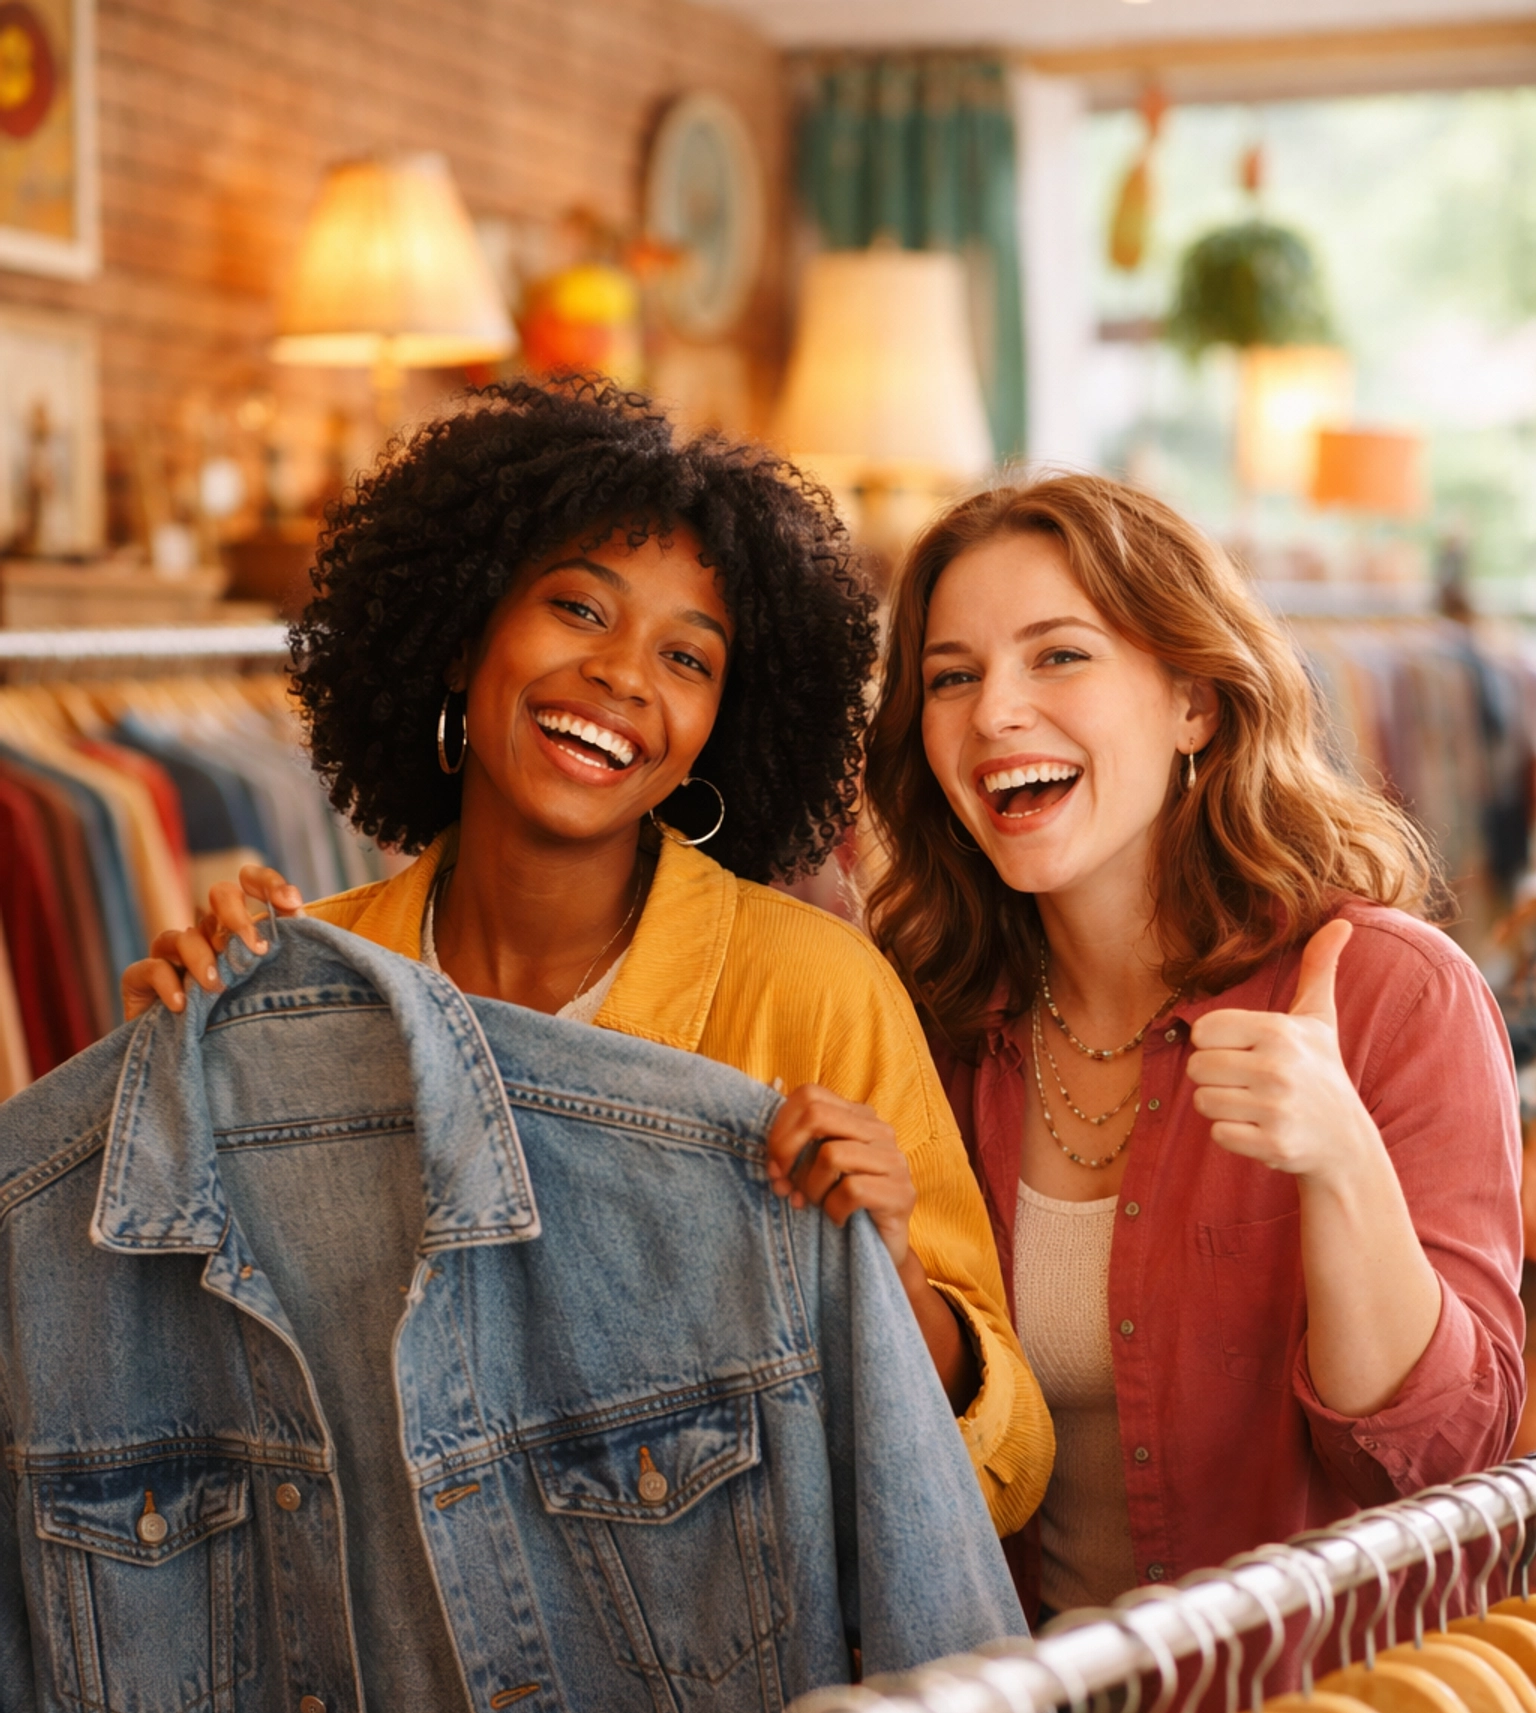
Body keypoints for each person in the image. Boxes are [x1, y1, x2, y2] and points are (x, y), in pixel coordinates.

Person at [122, 379, 1054, 1536]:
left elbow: (1006, 1474)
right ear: (462, 637)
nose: (623, 675)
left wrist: (895, 1276)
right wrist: (168, 1059)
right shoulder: (306, 978)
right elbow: (175, 1395)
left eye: (689, 659)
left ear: (724, 723)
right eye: (577, 608)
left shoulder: (811, 988)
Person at [863, 472, 1523, 1619]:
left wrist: (1340, 1160)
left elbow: (1448, 1473)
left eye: (1059, 655)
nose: (995, 713)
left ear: (1195, 706)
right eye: (952, 677)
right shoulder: (935, 1020)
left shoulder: (1386, 993)